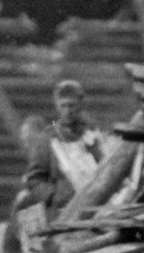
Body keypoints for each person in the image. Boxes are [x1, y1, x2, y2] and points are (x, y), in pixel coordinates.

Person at [19, 79, 106, 218]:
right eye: (63, 105)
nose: (67, 111)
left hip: (95, 210)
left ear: (80, 105)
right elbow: (34, 179)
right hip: (62, 213)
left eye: (72, 105)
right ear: (57, 106)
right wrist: (53, 195)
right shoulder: (48, 138)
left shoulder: (94, 135)